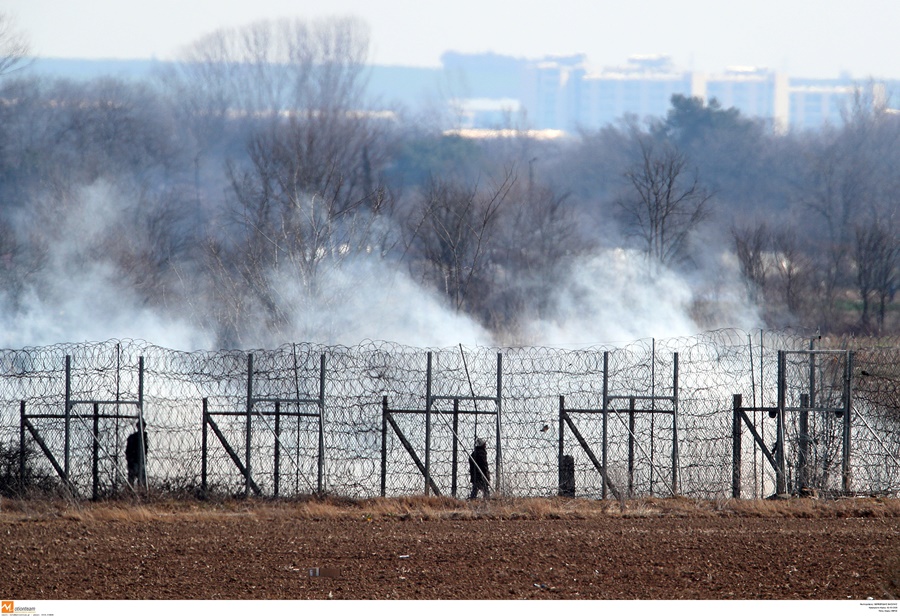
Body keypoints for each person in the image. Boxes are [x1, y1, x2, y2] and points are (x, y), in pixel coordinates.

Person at [125, 419, 148, 489]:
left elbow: (145, 450)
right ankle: (132, 495)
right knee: (132, 481)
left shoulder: (144, 437)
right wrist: (130, 460)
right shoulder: (133, 438)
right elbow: (128, 451)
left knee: (141, 481)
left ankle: (141, 494)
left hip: (140, 462)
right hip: (134, 462)